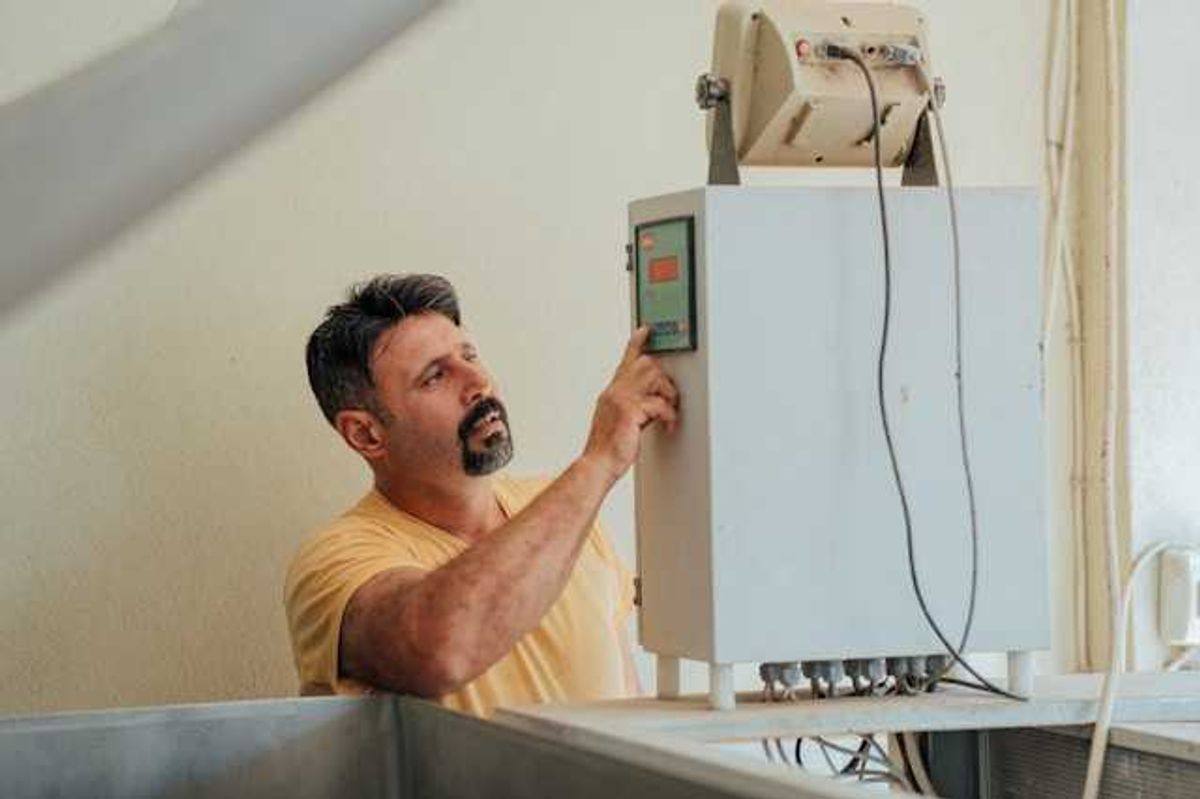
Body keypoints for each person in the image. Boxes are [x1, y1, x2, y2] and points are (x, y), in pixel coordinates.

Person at [284, 274, 679, 717]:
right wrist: (599, 461)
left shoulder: (562, 508)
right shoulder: (334, 561)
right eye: (435, 376)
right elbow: (440, 648)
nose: (478, 382)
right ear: (366, 433)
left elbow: (627, 700)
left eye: (469, 355)